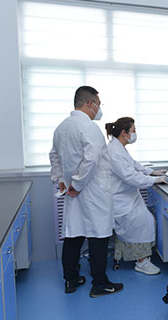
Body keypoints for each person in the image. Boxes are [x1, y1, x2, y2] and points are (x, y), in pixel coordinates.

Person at [49, 86, 123, 298]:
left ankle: (71, 279)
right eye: (98, 104)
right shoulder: (89, 128)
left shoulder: (61, 127)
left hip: (74, 191)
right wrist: (77, 184)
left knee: (74, 234)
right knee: (99, 235)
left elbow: (54, 156)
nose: (99, 109)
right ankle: (100, 283)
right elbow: (91, 160)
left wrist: (61, 180)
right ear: (90, 104)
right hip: (92, 190)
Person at [105, 117, 166, 275]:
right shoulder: (114, 152)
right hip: (121, 200)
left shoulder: (118, 147)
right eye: (133, 131)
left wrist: (153, 172)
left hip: (128, 197)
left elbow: (133, 165)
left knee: (147, 219)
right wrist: (155, 180)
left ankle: (141, 256)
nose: (135, 134)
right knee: (144, 222)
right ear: (124, 133)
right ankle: (141, 262)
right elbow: (130, 176)